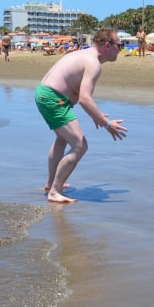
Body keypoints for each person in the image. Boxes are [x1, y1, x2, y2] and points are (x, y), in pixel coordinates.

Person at [34, 27, 128, 203]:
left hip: (45, 94)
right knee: (80, 145)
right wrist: (107, 124)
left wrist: (97, 115)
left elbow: (81, 95)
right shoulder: (93, 63)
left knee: (62, 139)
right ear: (107, 45)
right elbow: (85, 99)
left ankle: (51, 183)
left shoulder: (84, 55)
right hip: (53, 98)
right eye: (119, 45)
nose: (120, 49)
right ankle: (54, 191)